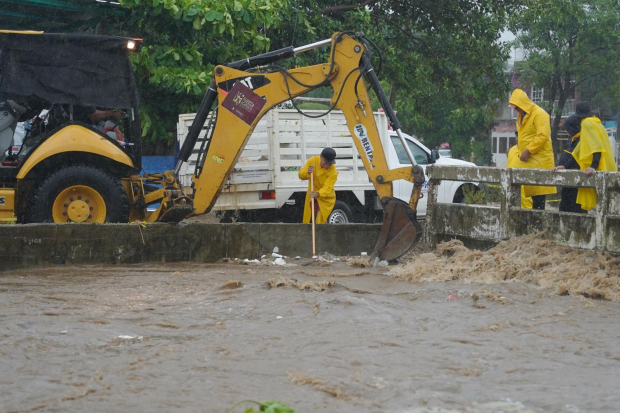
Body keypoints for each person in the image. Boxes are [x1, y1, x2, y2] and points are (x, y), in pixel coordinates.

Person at [508, 89, 557, 210]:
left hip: (539, 161)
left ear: (522, 103)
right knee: (530, 198)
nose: (516, 110)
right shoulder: (521, 117)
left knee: (539, 199)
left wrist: (528, 150)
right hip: (528, 162)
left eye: (517, 107)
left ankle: (539, 226)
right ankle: (535, 226)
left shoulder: (540, 114)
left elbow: (543, 135)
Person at [570, 102, 618, 210]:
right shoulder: (597, 123)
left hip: (599, 168)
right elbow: (579, 148)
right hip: (608, 166)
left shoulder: (586, 123)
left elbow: (597, 146)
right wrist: (565, 165)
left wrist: (593, 166)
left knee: (601, 207)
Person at [552, 115, 586, 213]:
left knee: (575, 206)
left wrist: (565, 166)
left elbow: (575, 157)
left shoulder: (581, 139)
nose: (567, 132)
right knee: (564, 206)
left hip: (576, 179)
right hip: (566, 179)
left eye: (568, 129)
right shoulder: (571, 139)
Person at [298, 148, 338, 224]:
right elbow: (300, 175)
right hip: (311, 195)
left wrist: (318, 194)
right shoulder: (313, 161)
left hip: (326, 197)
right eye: (325, 163)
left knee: (320, 221)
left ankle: (320, 234)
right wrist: (307, 173)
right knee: (308, 219)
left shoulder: (333, 171)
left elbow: (328, 187)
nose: (327, 165)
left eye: (329, 164)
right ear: (321, 157)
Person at [506, 131, 533, 209]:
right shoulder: (511, 150)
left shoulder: (529, 150)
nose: (518, 138)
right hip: (510, 188)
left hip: (525, 190)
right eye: (517, 136)